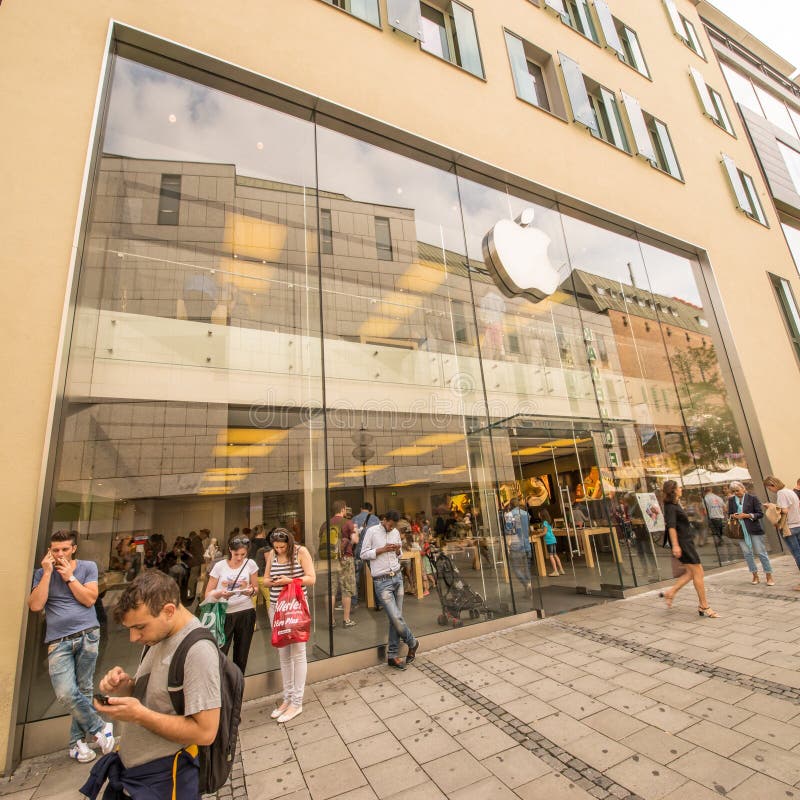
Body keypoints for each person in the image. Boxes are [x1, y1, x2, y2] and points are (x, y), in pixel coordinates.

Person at [87, 570, 221, 798]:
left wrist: (139, 715)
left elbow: (206, 731)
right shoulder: (159, 635)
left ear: (169, 611)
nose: (133, 638)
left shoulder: (198, 651)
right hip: (134, 777)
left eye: (140, 627)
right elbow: (156, 695)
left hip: (165, 781)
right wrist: (126, 687)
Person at [28, 530, 114, 763]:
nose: (60, 554)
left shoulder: (87, 567)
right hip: (58, 640)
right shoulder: (41, 573)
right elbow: (36, 605)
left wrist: (69, 577)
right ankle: (100, 727)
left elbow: (89, 599)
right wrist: (47, 574)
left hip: (88, 634)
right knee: (66, 692)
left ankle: (77, 744)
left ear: (74, 549)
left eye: (65, 549)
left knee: (84, 688)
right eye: (55, 550)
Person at [263, 528, 316, 722]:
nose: (279, 550)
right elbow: (266, 579)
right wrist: (274, 582)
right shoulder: (271, 555)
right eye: (276, 547)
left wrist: (290, 581)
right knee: (283, 653)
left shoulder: (301, 552)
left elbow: (311, 578)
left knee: (298, 652)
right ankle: (287, 697)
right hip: (277, 607)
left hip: (295, 605)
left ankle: (297, 701)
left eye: (282, 547)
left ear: (289, 543)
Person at [360, 510, 419, 670]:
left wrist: (397, 550)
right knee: (396, 618)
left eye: (393, 526)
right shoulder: (371, 532)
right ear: (383, 520)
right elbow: (363, 554)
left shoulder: (395, 532)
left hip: (397, 577)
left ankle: (392, 656)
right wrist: (382, 549)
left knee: (395, 619)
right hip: (382, 581)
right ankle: (413, 642)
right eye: (389, 525)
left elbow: (398, 556)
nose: (390, 528)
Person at [659, 480, 718, 618]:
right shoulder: (670, 507)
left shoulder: (674, 504)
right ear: (673, 490)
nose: (681, 489)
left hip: (686, 542)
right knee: (699, 573)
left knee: (691, 573)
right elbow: (671, 527)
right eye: (679, 488)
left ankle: (671, 593)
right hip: (683, 543)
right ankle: (704, 606)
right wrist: (675, 546)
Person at [204, 534, 259, 673]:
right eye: (236, 554)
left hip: (245, 612)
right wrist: (220, 594)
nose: (240, 558)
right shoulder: (219, 566)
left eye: (243, 554)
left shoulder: (250, 564)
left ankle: (237, 687)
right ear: (229, 550)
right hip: (224, 613)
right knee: (220, 654)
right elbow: (208, 594)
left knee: (241, 655)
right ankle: (220, 688)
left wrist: (249, 591)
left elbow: (256, 588)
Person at [727, 480, 773, 585]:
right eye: (733, 491)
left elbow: (760, 514)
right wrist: (734, 515)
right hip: (740, 531)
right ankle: (755, 575)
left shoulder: (753, 498)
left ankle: (769, 576)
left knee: (761, 553)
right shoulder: (731, 500)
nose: (736, 493)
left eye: (737, 490)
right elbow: (729, 514)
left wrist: (747, 515)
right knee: (747, 554)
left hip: (754, 530)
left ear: (743, 489)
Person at [321, 500, 358, 628]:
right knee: (346, 590)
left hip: (330, 560)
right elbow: (355, 540)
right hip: (345, 559)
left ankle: (331, 621)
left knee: (330, 590)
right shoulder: (348, 523)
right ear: (343, 509)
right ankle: (346, 620)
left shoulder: (325, 524)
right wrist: (356, 533)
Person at [351, 502, 379, 609]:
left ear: (361, 508)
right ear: (371, 510)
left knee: (355, 576)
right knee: (376, 574)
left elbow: (353, 536)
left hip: (358, 550)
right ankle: (378, 601)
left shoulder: (354, 519)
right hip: (371, 550)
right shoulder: (376, 519)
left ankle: (354, 602)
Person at [504, 498, 532, 593]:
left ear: (510, 505)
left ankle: (526, 584)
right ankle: (529, 587)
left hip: (516, 544)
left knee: (516, 568)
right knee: (527, 567)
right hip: (527, 543)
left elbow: (509, 530)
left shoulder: (509, 515)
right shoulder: (526, 514)